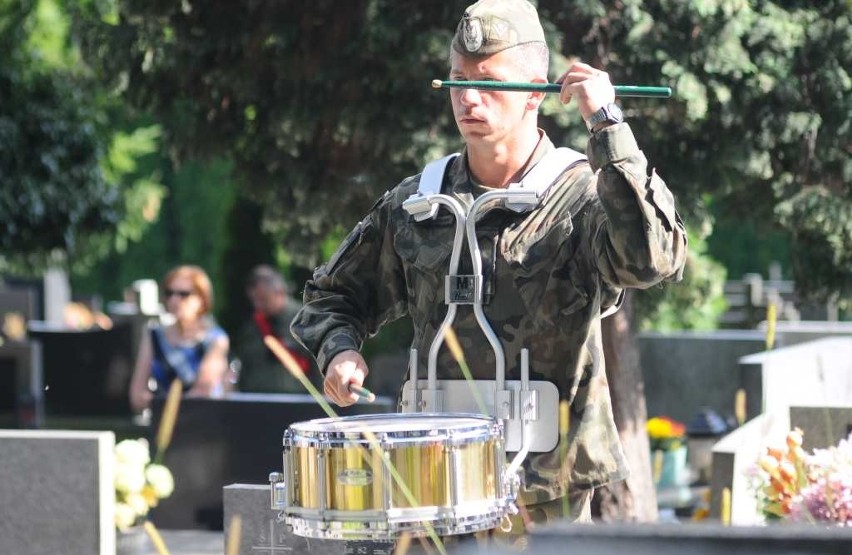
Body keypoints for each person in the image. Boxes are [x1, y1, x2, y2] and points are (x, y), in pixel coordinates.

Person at [291, 0, 687, 527]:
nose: (469, 98)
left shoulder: (581, 195)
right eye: (457, 79)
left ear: (537, 92)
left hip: (544, 496)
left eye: (491, 82)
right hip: (429, 483)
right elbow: (330, 298)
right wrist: (339, 351)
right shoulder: (418, 204)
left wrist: (607, 126)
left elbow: (652, 259)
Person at [129, 265, 230, 413]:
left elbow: (202, 393)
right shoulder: (154, 335)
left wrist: (159, 402)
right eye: (170, 293)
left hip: (205, 423)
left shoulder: (216, 339)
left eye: (184, 294)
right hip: (164, 426)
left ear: (202, 299)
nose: (175, 300)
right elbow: (137, 397)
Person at [233, 265, 320, 393]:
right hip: (257, 402)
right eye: (254, 300)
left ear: (279, 292)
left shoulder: (306, 320)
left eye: (263, 299)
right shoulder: (252, 327)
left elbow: (319, 364)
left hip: (298, 403)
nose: (257, 305)